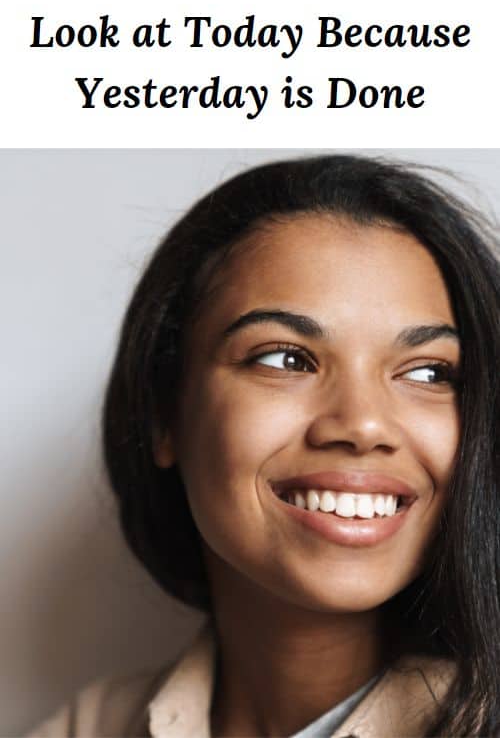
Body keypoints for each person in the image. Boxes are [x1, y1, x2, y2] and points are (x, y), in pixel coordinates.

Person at [29, 154, 500, 737]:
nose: (362, 425)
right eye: (285, 359)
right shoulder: (90, 727)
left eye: (428, 372)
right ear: (163, 415)